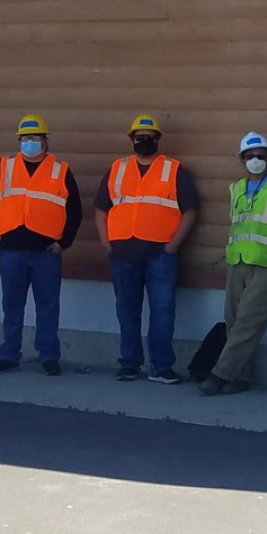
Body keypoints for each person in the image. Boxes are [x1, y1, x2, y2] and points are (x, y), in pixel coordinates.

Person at [0, 114, 83, 376]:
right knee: (12, 305)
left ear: (45, 141)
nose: (30, 143)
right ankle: (8, 355)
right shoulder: (4, 166)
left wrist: (64, 243)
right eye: (25, 138)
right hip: (12, 249)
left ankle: (48, 356)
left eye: (35, 138)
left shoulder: (60, 169)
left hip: (47, 252)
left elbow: (75, 211)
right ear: (19, 141)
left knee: (48, 306)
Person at [199, 133, 267, 397]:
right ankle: (240, 378)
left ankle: (219, 375)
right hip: (238, 262)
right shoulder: (236, 189)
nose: (255, 161)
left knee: (248, 324)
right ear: (242, 160)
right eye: (250, 156)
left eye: (260, 156)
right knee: (234, 323)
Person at [95, 114, 199, 385]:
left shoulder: (174, 170)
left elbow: (189, 210)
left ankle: (161, 367)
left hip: (160, 256)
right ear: (132, 140)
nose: (144, 141)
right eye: (139, 137)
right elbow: (100, 209)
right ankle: (129, 364)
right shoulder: (117, 168)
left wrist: (172, 246)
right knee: (127, 312)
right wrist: (107, 244)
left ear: (157, 140)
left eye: (149, 137)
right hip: (123, 254)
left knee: (163, 312)